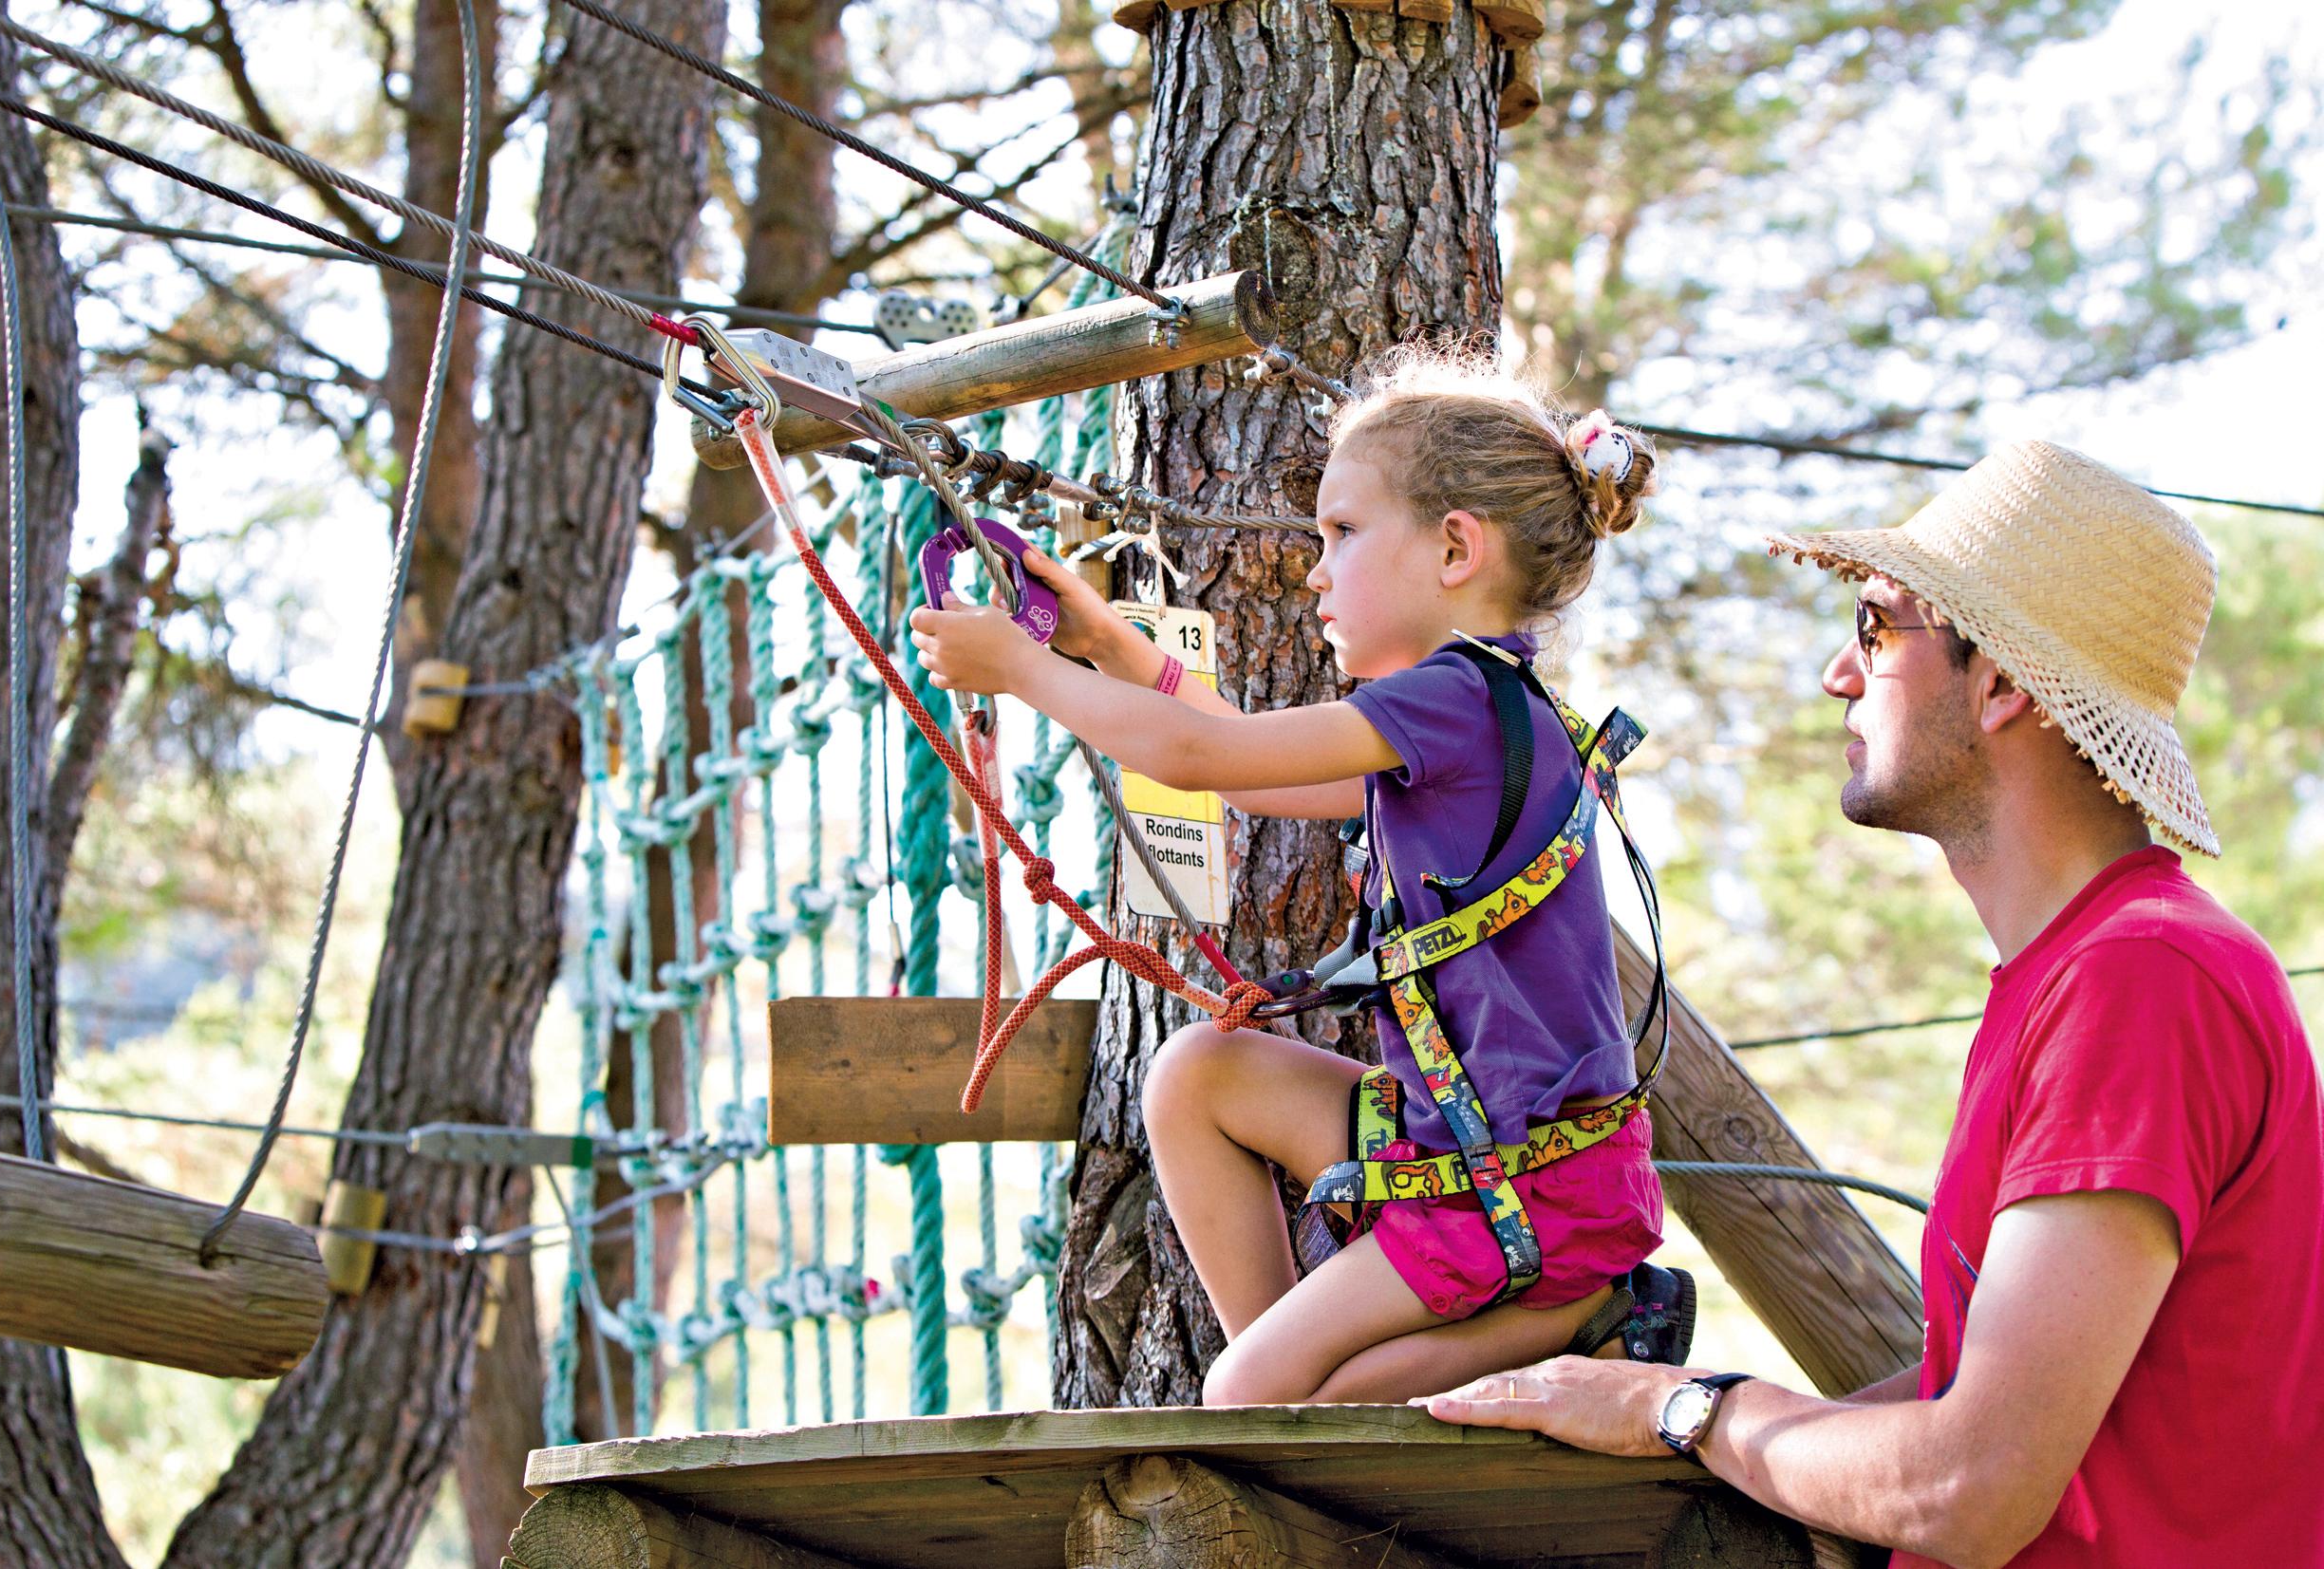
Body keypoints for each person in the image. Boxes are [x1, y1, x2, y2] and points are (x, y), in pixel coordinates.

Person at [1416, 439, 2324, 1568]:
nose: (1837, 676)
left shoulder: (2141, 981)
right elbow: (1971, 1402)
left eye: (1873, 629)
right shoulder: (2093, 970)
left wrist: (1684, 1409)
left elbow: (1969, 1489)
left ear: (2000, 682)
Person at [911, 347, 1692, 1404]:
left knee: (1249, 1404)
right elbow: (1249, 763)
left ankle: (1588, 1317)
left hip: (1523, 1190)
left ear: (1455, 547)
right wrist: (1106, 645)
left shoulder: (1454, 699)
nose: (1315, 570)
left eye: (1341, 534)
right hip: (1480, 1149)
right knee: (1198, 1076)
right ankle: (1284, 1372)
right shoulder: (1480, 720)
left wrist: (1027, 673)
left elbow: (1199, 760)